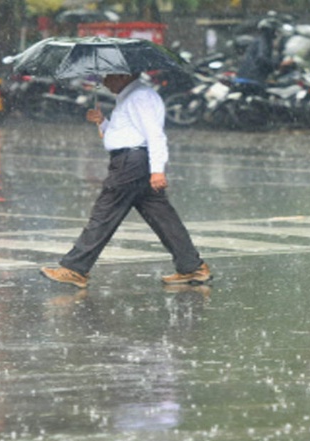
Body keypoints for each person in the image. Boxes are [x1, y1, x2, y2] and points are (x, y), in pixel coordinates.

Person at [40, 72, 211, 289]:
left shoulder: (140, 96)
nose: (103, 82)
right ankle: (192, 267)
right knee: (163, 217)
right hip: (134, 161)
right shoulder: (128, 96)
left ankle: (74, 268)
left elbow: (154, 134)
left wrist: (158, 170)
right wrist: (102, 122)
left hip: (131, 164)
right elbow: (124, 134)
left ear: (123, 75)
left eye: (107, 77)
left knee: (105, 213)